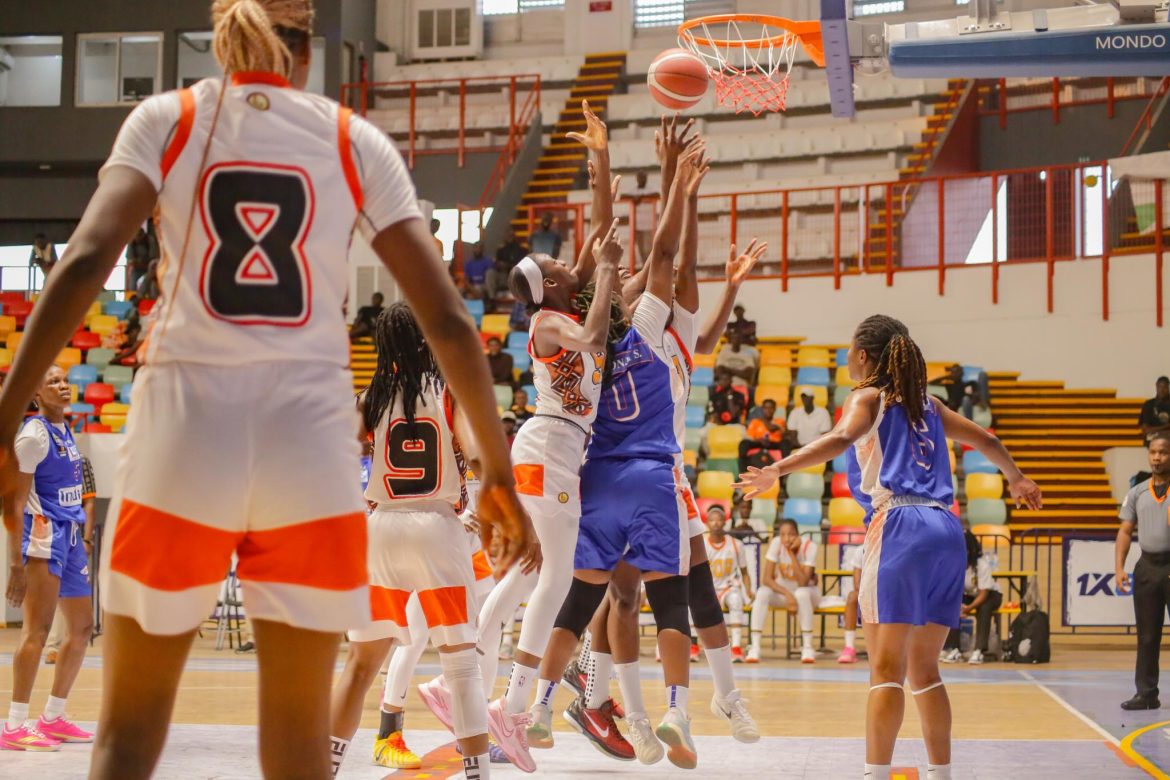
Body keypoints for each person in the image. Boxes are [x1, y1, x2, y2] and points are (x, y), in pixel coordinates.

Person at [0, 3, 533, 776]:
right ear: (307, 51)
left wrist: (4, 415)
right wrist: (497, 474)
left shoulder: (167, 118)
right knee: (295, 745)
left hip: (185, 429)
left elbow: (85, 262)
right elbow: (447, 319)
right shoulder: (354, 138)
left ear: (222, 43)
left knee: (128, 736)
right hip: (306, 447)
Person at [735, 313, 1041, 780]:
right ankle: (941, 774)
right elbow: (985, 439)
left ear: (862, 355)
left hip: (900, 523)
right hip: (947, 528)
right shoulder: (929, 405)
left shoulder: (868, 397)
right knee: (926, 671)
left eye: (849, 350)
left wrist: (778, 469)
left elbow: (841, 437)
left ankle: (875, 775)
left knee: (885, 671)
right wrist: (1016, 478)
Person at [329, 304, 500, 777]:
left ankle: (324, 768)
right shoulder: (448, 393)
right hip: (437, 528)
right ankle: (478, 773)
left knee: (360, 665)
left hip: (381, 526)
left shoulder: (368, 400)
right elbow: (479, 459)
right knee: (461, 665)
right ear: (427, 341)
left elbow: (333, 460)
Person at [2, 366, 96, 751]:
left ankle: (53, 717)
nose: (63, 385)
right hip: (42, 536)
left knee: (82, 628)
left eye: (64, 380)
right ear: (37, 394)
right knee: (37, 632)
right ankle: (14, 724)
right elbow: (14, 502)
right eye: (52, 382)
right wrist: (16, 564)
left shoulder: (64, 428)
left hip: (70, 534)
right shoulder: (32, 436)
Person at [1114, 432, 1170, 710]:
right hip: (1147, 567)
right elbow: (1125, 531)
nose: (1157, 458)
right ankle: (1146, 694)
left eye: (1163, 452)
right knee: (1147, 635)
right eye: (1153, 452)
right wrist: (1119, 568)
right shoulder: (1137, 492)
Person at [44, 454, 97, 666]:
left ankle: (67, 645)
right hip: (52, 534)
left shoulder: (82, 461)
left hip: (76, 537)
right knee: (54, 591)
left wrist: (87, 538)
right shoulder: (45, 460)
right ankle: (53, 646)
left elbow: (89, 504)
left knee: (73, 594)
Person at [746, 518, 821, 663]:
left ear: (798, 535)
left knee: (801, 593)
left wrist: (791, 553)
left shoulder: (809, 546)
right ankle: (755, 647)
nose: (786, 539)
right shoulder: (776, 543)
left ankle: (807, 647)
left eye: (791, 534)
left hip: (809, 593)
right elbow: (766, 579)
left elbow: (803, 582)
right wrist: (788, 595)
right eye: (782, 535)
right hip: (785, 594)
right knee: (762, 592)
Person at [940, 530, 1002, 665]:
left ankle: (979, 650)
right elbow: (953, 588)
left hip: (990, 595)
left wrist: (968, 608)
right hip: (969, 595)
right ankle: (954, 649)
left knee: (984, 609)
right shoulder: (955, 564)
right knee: (951, 607)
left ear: (970, 550)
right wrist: (958, 605)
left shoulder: (982, 565)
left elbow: (984, 593)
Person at [704, 507, 753, 661]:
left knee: (736, 600)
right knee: (692, 604)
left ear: (725, 522)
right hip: (708, 589)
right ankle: (693, 646)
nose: (715, 523)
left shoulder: (736, 545)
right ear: (707, 523)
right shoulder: (702, 545)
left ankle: (736, 648)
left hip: (728, 587)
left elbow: (745, 572)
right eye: (712, 520)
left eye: (719, 519)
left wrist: (749, 590)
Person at [739, 398, 786, 473]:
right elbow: (750, 437)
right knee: (743, 443)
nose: (768, 410)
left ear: (774, 409)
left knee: (785, 443)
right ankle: (743, 472)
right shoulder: (755, 422)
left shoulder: (780, 421)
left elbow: (771, 428)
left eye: (771, 408)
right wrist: (759, 440)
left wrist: (763, 419)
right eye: (766, 408)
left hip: (773, 443)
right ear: (762, 409)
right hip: (759, 442)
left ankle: (785, 472)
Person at [838, 542, 865, 664]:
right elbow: (857, 584)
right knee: (852, 596)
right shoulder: (861, 550)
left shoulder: (892, 547)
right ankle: (849, 648)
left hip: (888, 593)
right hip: (868, 592)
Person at [627, 170, 657, 262]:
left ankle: (650, 267)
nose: (642, 179)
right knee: (641, 250)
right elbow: (622, 196)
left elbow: (657, 194)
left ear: (646, 178)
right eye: (640, 177)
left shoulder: (650, 189)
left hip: (649, 225)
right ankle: (645, 267)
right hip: (637, 226)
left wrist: (640, 197)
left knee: (649, 249)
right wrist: (633, 198)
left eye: (643, 177)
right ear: (637, 179)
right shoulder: (633, 191)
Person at [1140, 376, 1170, 443]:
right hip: (1152, 442)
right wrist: (1167, 426)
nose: (1162, 390)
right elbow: (1146, 430)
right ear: (1156, 387)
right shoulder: (1148, 405)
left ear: (1168, 388)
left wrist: (1156, 431)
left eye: (1165, 387)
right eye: (1160, 387)